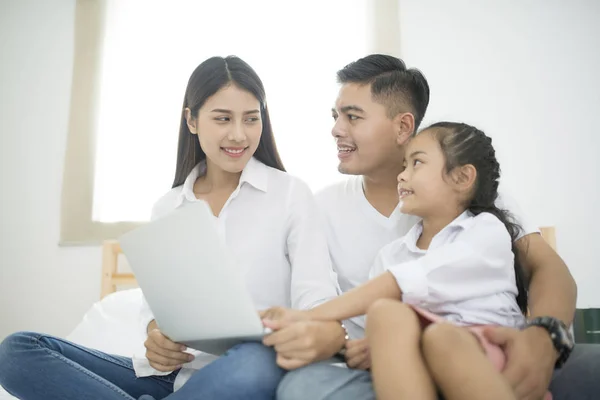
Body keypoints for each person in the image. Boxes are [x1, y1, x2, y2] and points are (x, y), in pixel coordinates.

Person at [0, 56, 340, 400]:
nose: (239, 134)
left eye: (251, 119)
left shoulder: (290, 194)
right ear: (191, 120)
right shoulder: (168, 207)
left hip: (252, 366)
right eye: (222, 118)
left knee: (255, 360)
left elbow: (318, 299)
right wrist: (156, 336)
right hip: (174, 377)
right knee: (17, 351)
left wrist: (299, 331)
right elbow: (159, 309)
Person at [266, 54, 598, 400]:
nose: (336, 129)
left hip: (479, 346)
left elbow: (548, 268)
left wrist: (542, 338)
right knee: (303, 387)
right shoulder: (322, 209)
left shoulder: (472, 200)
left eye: (352, 116)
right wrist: (353, 342)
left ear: (402, 126)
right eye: (336, 116)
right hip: (386, 362)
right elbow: (322, 308)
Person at [264, 121, 554, 400]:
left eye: (417, 163)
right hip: (422, 362)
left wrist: (307, 316)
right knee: (385, 314)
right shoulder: (392, 255)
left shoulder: (485, 231)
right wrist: (370, 346)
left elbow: (402, 284)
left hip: (488, 354)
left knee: (441, 338)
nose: (402, 175)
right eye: (404, 165)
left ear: (463, 178)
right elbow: (378, 323)